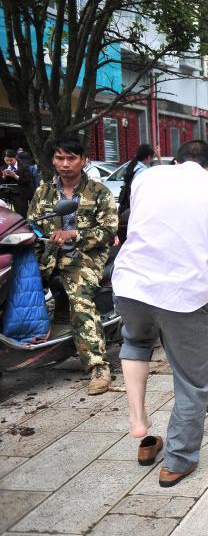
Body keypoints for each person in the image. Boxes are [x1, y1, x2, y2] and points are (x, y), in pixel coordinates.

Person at [113, 139, 208, 488]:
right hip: (182, 294)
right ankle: (178, 461)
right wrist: (204, 287)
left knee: (135, 342)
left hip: (130, 284)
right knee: (192, 381)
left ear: (176, 161)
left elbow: (139, 223)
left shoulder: (147, 178)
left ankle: (139, 421)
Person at [28, 138, 118, 394]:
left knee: (80, 300)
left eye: (71, 158)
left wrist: (73, 235)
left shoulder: (99, 192)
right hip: (48, 256)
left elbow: (108, 231)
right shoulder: (42, 193)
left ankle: (98, 367)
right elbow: (32, 226)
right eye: (59, 158)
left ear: (83, 160)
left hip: (85, 257)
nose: (64, 164)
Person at [116, 145, 155, 243]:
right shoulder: (143, 171)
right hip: (137, 208)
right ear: (148, 157)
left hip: (127, 206)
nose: (152, 160)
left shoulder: (133, 166)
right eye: (153, 157)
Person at [2, 148, 35, 216]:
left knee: (22, 212)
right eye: (6, 161)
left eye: (11, 160)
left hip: (22, 193)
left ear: (15, 157)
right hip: (9, 193)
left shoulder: (24, 166)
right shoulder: (3, 168)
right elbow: (2, 183)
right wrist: (4, 177)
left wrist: (15, 176)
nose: (9, 162)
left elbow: (28, 180)